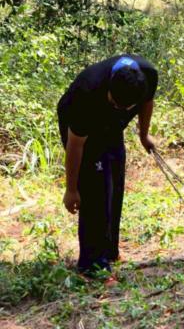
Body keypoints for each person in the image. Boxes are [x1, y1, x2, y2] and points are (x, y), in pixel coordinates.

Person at [57, 55, 158, 276]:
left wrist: (143, 135)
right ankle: (93, 266)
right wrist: (71, 189)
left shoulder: (147, 76)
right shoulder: (86, 93)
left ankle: (109, 252)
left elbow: (147, 101)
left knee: (115, 180)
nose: (119, 108)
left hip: (111, 125)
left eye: (125, 107)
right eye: (114, 103)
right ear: (109, 89)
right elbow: (75, 146)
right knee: (95, 188)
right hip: (83, 128)